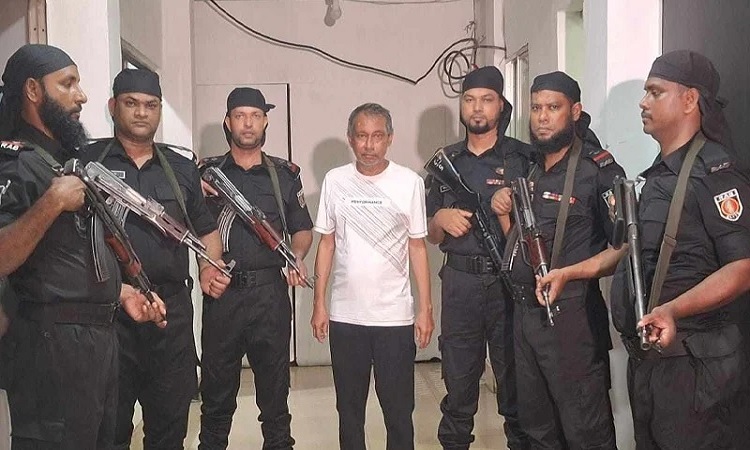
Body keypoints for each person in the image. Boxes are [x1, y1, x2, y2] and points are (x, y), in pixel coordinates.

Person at [0, 44, 165, 450]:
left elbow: (63, 256)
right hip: (50, 347)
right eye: (68, 84)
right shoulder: (15, 163)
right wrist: (52, 202)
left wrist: (119, 292)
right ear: (33, 90)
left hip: (96, 342)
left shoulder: (59, 161)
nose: (81, 96)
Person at [610, 50, 750, 449]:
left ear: (690, 100)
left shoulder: (715, 172)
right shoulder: (659, 174)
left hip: (693, 369)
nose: (643, 102)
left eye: (655, 92)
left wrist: (672, 310)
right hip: (653, 364)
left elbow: (742, 267)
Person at [84, 68, 229, 450]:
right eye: (131, 103)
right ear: (113, 106)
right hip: (108, 314)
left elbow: (206, 231)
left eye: (150, 105)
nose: (141, 113)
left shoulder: (180, 167)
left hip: (170, 314)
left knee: (169, 429)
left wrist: (208, 267)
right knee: (108, 429)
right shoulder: (87, 162)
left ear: (160, 110)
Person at [492, 71, 624, 449]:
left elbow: (622, 248)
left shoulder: (598, 171)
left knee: (586, 431)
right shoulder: (529, 167)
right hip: (525, 316)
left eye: (553, 108)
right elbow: (525, 245)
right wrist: (503, 214)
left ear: (575, 112)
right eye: (536, 108)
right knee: (537, 429)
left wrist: (569, 273)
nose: (543, 117)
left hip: (573, 319)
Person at [311, 102, 434, 450]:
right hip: (346, 316)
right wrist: (319, 303)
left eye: (377, 136)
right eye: (362, 136)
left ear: (390, 138)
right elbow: (326, 244)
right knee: (349, 411)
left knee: (399, 411)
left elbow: (417, 248)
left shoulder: (408, 183)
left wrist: (425, 309)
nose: (369, 145)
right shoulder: (335, 181)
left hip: (394, 317)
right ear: (350, 138)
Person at [198, 87, 313, 450]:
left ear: (265, 122)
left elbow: (302, 229)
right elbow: (188, 225)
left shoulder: (284, 175)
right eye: (240, 116)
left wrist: (296, 254)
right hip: (223, 294)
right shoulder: (204, 174)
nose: (247, 124)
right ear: (227, 122)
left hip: (269, 295)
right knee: (216, 398)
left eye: (255, 116)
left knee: (275, 397)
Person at [425, 66, 529, 450]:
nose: (477, 108)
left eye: (486, 99)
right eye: (469, 100)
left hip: (508, 283)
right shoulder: (446, 163)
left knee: (516, 386)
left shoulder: (523, 159)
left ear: (501, 105)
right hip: (460, 283)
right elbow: (430, 234)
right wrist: (440, 218)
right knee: (458, 385)